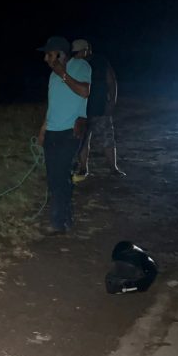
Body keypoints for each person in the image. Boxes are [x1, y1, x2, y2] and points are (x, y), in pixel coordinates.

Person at [37, 36, 91, 235]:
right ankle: (64, 218)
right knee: (54, 177)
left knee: (60, 176)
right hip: (52, 132)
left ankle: (59, 221)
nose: (45, 59)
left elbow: (85, 91)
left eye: (49, 54)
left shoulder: (80, 65)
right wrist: (43, 129)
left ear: (60, 54)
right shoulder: (52, 75)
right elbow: (53, 105)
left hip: (70, 132)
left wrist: (62, 73)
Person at [71, 39, 125, 181]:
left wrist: (112, 101)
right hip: (81, 110)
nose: (78, 54)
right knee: (82, 141)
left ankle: (113, 168)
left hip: (100, 108)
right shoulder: (75, 64)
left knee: (107, 138)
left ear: (87, 49)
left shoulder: (100, 61)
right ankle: (83, 168)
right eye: (75, 52)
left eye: (80, 51)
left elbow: (111, 81)